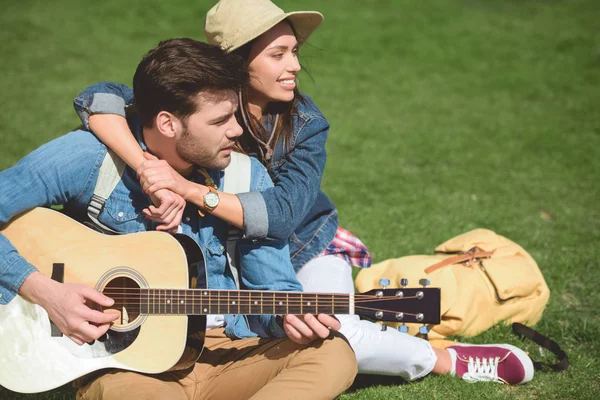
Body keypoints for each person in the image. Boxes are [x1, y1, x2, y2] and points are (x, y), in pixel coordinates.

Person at [70, 0, 535, 385]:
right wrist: (149, 166)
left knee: (334, 329)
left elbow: (283, 216)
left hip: (303, 246)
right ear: (238, 60)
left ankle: (449, 359)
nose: (295, 65)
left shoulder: (306, 124)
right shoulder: (197, 98)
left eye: (295, 52)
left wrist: (188, 189)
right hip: (229, 264)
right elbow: (100, 98)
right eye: (279, 53)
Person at [0, 38, 358, 399]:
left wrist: (285, 316)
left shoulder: (245, 176)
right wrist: (44, 291)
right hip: (128, 368)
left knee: (333, 353)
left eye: (234, 114)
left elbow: (272, 289)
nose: (237, 130)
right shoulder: (89, 159)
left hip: (227, 353)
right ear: (168, 124)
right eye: (220, 120)